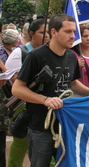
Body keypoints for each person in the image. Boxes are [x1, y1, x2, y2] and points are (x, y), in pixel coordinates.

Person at [11, 14, 89, 167]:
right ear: (54, 32)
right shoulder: (36, 56)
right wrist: (45, 100)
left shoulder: (71, 56)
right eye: (68, 31)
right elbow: (17, 89)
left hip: (66, 125)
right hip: (40, 127)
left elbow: (73, 83)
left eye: (74, 32)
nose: (73, 36)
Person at [5, 17, 50, 167]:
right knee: (21, 142)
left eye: (49, 32)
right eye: (42, 32)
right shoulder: (20, 52)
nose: (47, 35)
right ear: (31, 33)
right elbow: (11, 78)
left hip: (45, 104)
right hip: (22, 105)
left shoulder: (52, 52)